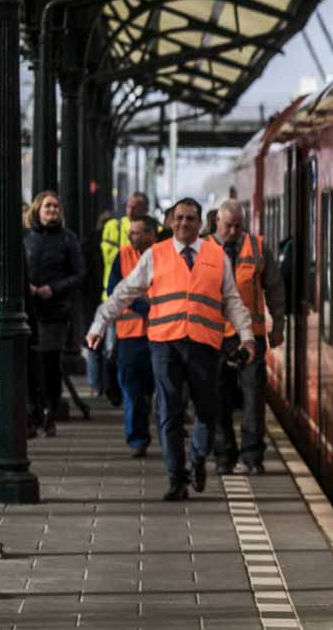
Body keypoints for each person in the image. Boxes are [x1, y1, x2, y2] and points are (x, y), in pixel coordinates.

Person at [88, 197, 254, 500]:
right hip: (165, 343)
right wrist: (100, 323)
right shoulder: (156, 255)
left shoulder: (217, 256)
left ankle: (198, 459)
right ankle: (176, 477)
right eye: (178, 218)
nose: (183, 223)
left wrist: (247, 335)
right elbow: (124, 292)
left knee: (206, 410)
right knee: (169, 410)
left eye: (190, 218)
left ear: (200, 223)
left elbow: (230, 299)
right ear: (170, 221)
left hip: (204, 344)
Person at [209, 199, 285, 474]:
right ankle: (223, 456)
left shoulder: (257, 247)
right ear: (217, 221)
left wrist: (278, 324)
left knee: (253, 398)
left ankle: (253, 457)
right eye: (228, 226)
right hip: (215, 339)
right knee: (219, 400)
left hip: (249, 338)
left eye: (238, 226)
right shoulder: (203, 249)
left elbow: (275, 288)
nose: (233, 231)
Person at [23, 190, 85, 437]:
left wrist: (53, 289)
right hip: (29, 309)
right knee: (29, 364)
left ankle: (48, 412)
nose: (52, 211)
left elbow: (79, 273)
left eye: (56, 207)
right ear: (37, 210)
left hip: (55, 310)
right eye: (48, 207)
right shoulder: (25, 238)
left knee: (49, 363)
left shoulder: (68, 239)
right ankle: (32, 413)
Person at [106, 214, 159, 458]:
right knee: (132, 389)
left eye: (137, 232)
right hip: (130, 336)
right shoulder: (124, 255)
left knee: (160, 388)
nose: (131, 237)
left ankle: (167, 433)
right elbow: (116, 290)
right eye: (131, 232)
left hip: (162, 334)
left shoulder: (165, 255)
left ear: (151, 234)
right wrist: (144, 306)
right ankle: (137, 439)